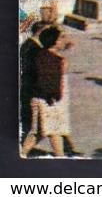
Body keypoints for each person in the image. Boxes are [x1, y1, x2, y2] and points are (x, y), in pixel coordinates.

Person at [20, 26, 71, 158]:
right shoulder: (55, 60)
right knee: (53, 132)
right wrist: (53, 96)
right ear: (54, 41)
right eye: (61, 38)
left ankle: (22, 154)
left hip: (43, 100)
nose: (63, 41)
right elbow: (48, 81)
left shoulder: (42, 55)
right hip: (48, 101)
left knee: (39, 132)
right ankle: (60, 158)